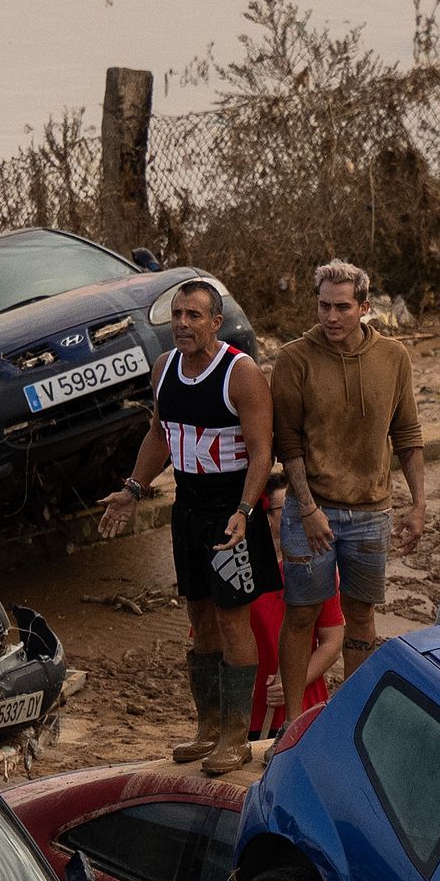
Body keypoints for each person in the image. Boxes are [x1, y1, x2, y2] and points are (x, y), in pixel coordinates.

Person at [95, 279, 272, 770]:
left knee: (233, 617)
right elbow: (160, 433)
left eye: (194, 315)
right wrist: (132, 488)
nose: (182, 324)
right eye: (177, 314)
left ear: (216, 322)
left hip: (230, 512)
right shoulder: (164, 368)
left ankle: (237, 737)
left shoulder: (241, 373)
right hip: (188, 509)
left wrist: (244, 510)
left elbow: (262, 452)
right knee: (198, 616)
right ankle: (208, 728)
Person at [261, 258, 425, 745]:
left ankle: (351, 720)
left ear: (365, 308)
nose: (331, 317)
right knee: (302, 613)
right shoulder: (294, 359)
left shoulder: (393, 357)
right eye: (323, 306)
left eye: (342, 307)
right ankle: (293, 724)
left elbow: (408, 434)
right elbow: (286, 442)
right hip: (310, 510)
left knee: (361, 615)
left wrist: (418, 504)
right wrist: (308, 508)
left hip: (373, 511)